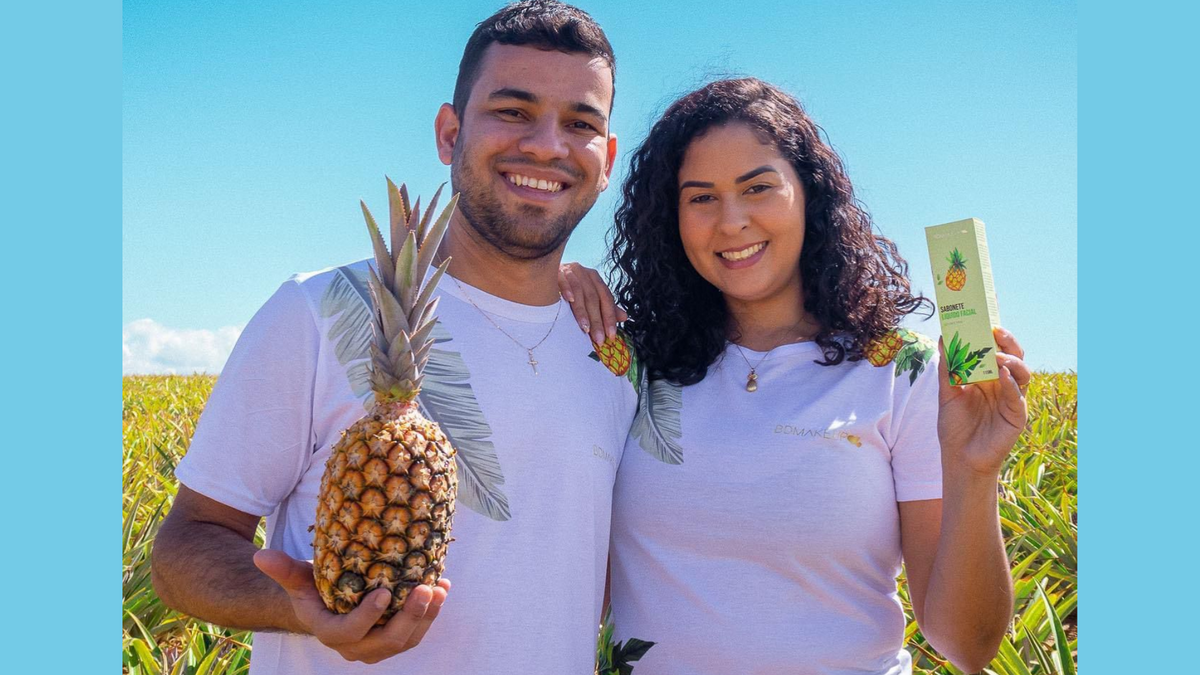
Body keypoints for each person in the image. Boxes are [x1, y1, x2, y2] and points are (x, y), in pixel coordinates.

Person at [151, 2, 637, 673]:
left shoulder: (615, 353)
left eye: (580, 123)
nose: (547, 145)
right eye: (513, 110)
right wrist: (298, 605)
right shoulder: (318, 311)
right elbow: (185, 547)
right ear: (448, 132)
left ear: (606, 158)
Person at [559, 78, 1029, 674]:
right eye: (700, 198)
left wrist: (973, 471)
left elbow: (967, 645)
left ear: (810, 195)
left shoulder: (901, 370)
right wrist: (553, 277)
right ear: (668, 218)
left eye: (758, 188)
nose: (732, 221)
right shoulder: (630, 366)